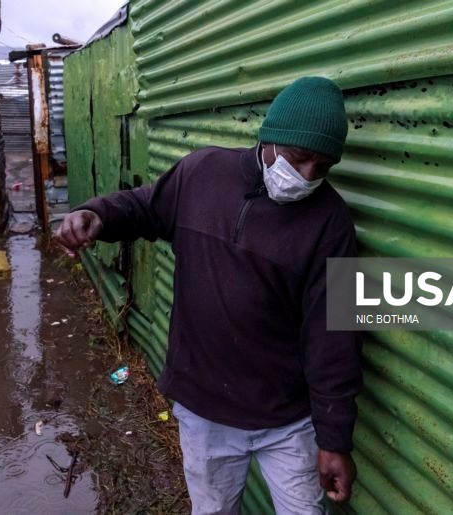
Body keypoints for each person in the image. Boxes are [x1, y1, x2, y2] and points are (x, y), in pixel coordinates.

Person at [56, 77, 362, 515]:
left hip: (288, 421)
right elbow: (145, 206)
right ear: (270, 139)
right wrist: (97, 214)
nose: (308, 176)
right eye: (300, 159)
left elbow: (336, 336)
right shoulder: (202, 174)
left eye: (324, 167)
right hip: (205, 411)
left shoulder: (330, 222)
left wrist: (334, 440)